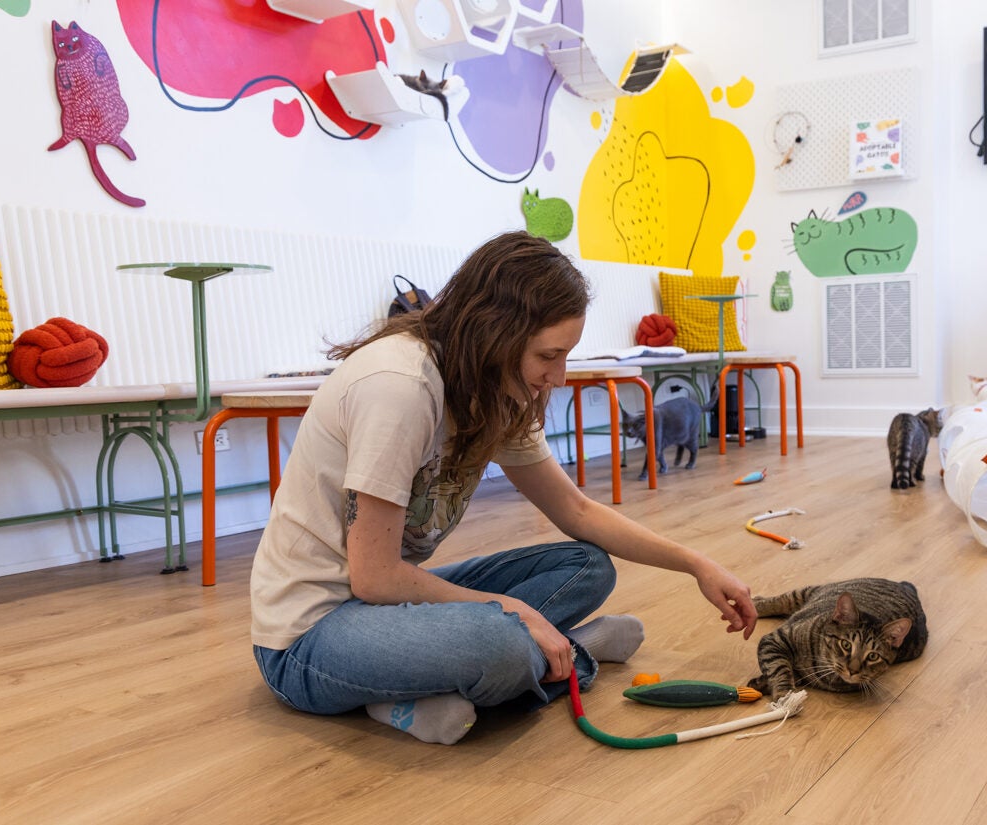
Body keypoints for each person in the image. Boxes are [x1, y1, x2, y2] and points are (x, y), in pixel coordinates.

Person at [250, 231, 757, 745]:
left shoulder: (495, 387)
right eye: (548, 355)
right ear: (495, 334)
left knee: (587, 565)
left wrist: (695, 562)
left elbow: (577, 511)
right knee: (500, 644)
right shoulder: (399, 387)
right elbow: (375, 578)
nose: (557, 377)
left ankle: (430, 688)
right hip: (307, 637)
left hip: (381, 609)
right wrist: (514, 611)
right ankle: (566, 652)